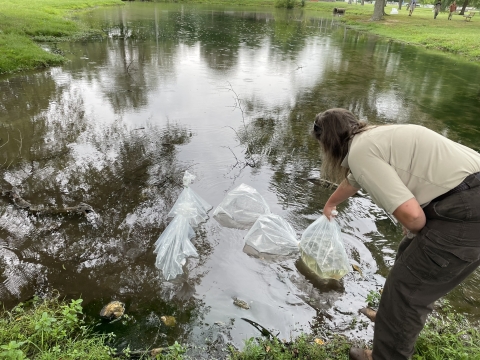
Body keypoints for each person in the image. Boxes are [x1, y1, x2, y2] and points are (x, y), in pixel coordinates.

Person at [312, 108, 480, 360]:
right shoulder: (377, 136)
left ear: (329, 143)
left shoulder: (360, 152)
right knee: (407, 255)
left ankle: (386, 350)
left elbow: (413, 217)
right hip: (465, 199)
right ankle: (388, 317)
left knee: (407, 291)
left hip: (464, 213)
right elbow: (354, 180)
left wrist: (412, 222)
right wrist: (331, 204)